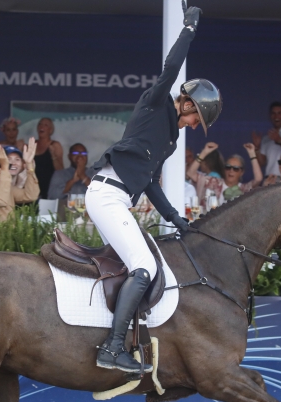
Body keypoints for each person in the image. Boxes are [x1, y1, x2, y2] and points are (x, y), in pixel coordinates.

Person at [87, 4, 220, 374]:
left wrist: (177, 218)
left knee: (146, 262)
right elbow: (172, 67)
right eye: (196, 117)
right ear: (187, 102)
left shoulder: (171, 142)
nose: (194, 125)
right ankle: (112, 349)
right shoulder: (155, 102)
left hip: (120, 198)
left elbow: (150, 184)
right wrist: (189, 28)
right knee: (143, 265)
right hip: (106, 193)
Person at [187, 143, 262, 203]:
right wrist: (204, 152)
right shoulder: (214, 182)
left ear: (241, 172)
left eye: (235, 168)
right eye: (228, 167)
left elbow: (258, 179)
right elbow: (191, 173)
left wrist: (252, 154)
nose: (231, 171)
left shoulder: (244, 189)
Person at [33, 117, 64, 200]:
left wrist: (53, 155)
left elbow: (61, 170)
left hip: (49, 186)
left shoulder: (55, 145)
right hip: (33, 186)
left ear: (50, 130)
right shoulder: (32, 144)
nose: (41, 126)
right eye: (40, 124)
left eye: (45, 125)